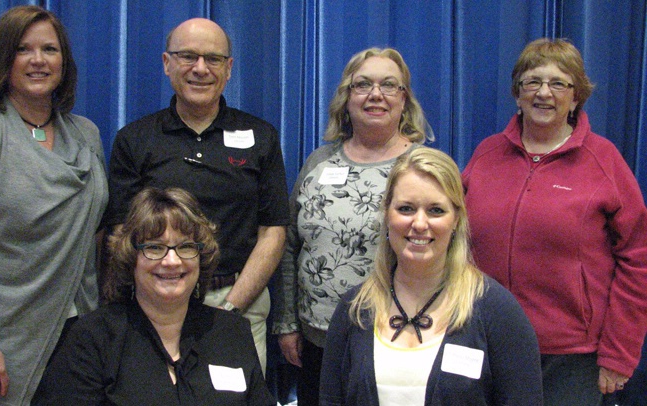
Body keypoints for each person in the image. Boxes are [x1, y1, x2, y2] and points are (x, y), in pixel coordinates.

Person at [462, 38, 647, 406]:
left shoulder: (604, 161)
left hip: (571, 357)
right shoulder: (486, 154)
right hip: (485, 339)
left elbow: (638, 259)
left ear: (576, 97)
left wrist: (619, 353)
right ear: (517, 93)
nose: (544, 93)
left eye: (559, 83)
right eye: (532, 82)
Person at [0, 5, 108, 405]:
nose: (38, 61)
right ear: (3, 58)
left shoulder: (86, 135)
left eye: (49, 50)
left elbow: (97, 232)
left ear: (64, 62)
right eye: (23, 49)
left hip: (77, 336)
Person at [103, 18, 289, 374]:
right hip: (154, 307)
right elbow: (120, 236)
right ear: (166, 63)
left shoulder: (261, 136)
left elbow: (273, 231)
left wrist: (231, 309)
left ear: (229, 68)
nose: (200, 69)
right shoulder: (135, 139)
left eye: (213, 59)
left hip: (240, 305)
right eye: (188, 56)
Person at [319, 147, 543, 405]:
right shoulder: (354, 310)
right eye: (406, 209)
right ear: (386, 213)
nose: (420, 224)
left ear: (457, 218)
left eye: (436, 210)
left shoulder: (496, 311)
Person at [271, 47, 432, 405]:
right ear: (347, 98)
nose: (376, 95)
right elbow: (289, 244)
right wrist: (287, 324)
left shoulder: (422, 165)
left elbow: (444, 249)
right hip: (316, 340)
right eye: (363, 85)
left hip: (394, 339)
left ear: (404, 99)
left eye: (389, 85)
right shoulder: (319, 160)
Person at [33, 187, 275, 405]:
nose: (172, 260)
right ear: (131, 258)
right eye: (155, 247)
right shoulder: (93, 339)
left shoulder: (232, 332)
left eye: (186, 247)